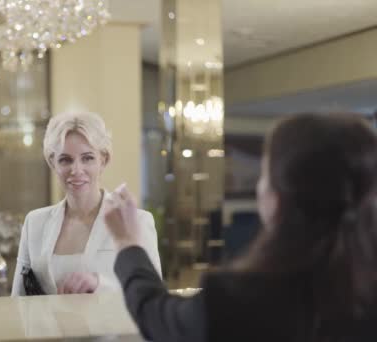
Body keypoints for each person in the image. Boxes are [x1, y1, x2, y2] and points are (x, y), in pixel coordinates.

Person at [104, 113, 377, 341]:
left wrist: (128, 243)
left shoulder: (234, 299)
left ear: (277, 196)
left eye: (264, 174)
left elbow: (156, 314)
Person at [12, 112, 161, 295]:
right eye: (65, 160)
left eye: (87, 158)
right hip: (48, 325)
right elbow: (19, 300)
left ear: (103, 160)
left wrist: (99, 285)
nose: (76, 170)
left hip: (112, 324)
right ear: (52, 162)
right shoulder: (34, 223)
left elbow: (152, 296)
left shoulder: (136, 221)